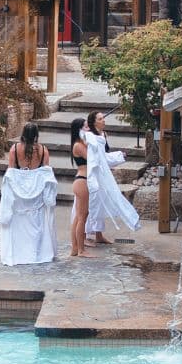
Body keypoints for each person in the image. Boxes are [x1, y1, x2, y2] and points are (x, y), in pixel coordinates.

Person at [0, 122, 57, 264]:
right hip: (37, 195)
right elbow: (46, 173)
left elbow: (11, 172)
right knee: (37, 224)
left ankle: (19, 254)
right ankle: (37, 253)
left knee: (19, 224)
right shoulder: (43, 150)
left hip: (19, 196)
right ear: (36, 134)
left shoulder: (15, 149)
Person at [83, 110, 139, 244]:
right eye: (100, 119)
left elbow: (104, 157)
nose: (104, 121)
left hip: (101, 174)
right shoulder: (90, 137)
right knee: (91, 204)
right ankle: (84, 235)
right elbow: (94, 157)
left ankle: (98, 235)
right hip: (93, 175)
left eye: (103, 118)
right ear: (94, 122)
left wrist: (120, 155)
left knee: (100, 204)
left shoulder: (102, 136)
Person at [69, 116, 91, 257]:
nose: (88, 129)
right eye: (85, 127)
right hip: (82, 180)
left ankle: (75, 248)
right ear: (79, 129)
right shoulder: (78, 145)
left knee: (80, 215)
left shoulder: (82, 143)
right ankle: (80, 249)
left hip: (83, 180)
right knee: (82, 216)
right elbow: (93, 158)